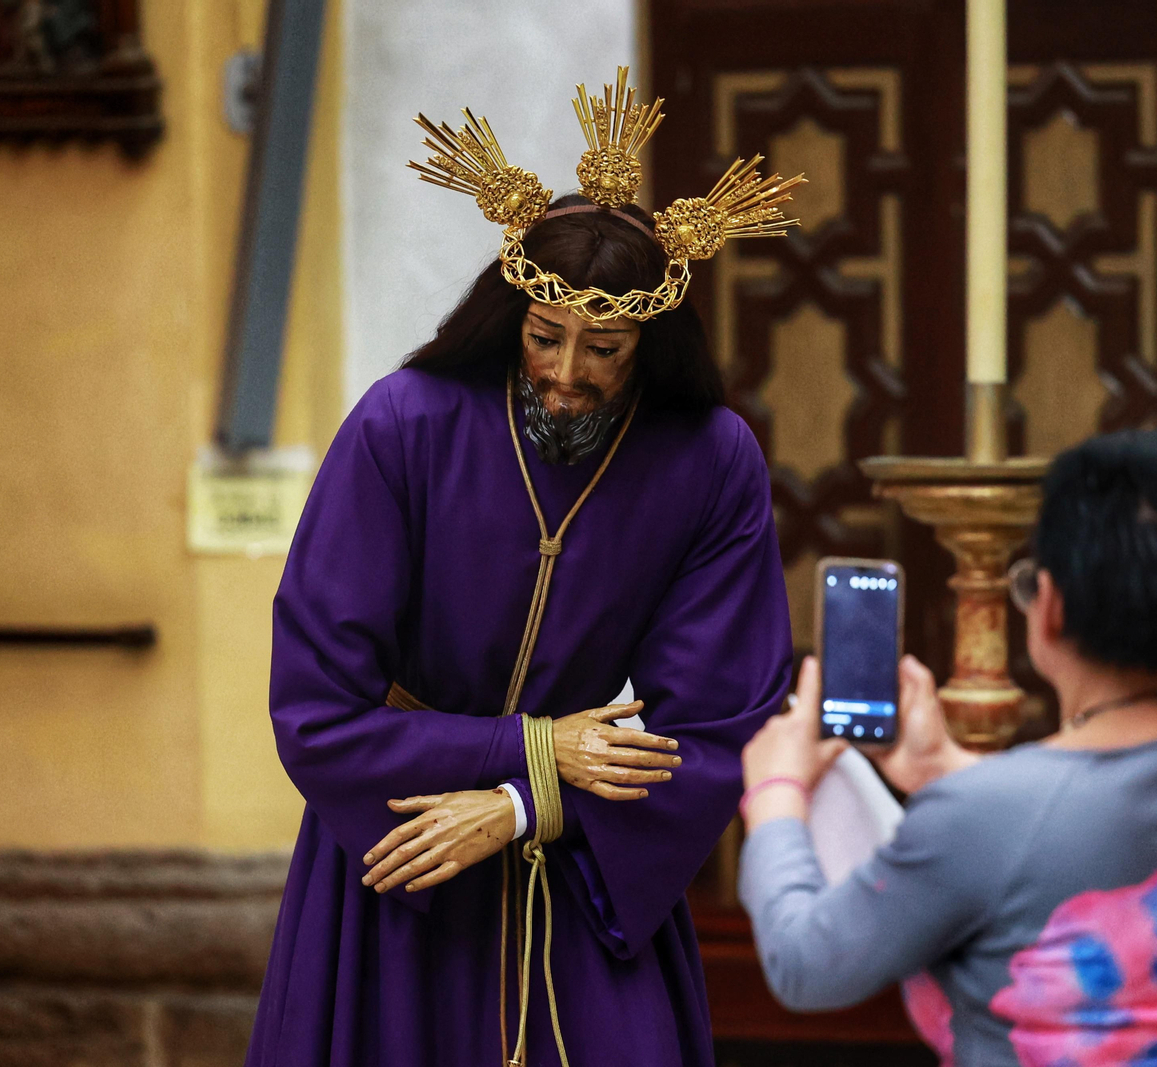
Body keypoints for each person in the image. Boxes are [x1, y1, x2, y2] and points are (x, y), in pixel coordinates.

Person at [245, 69, 804, 1067]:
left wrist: (520, 799)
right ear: (513, 315)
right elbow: (315, 705)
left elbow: (720, 723)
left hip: (590, 862)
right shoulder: (402, 424)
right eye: (547, 337)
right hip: (400, 852)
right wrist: (536, 746)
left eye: (606, 348)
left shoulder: (709, 459)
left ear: (651, 341)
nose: (566, 372)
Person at [738, 429, 1157, 1067]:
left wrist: (776, 792)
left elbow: (806, 966)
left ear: (1048, 608)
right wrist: (946, 769)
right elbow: (1089, 828)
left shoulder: (985, 815)